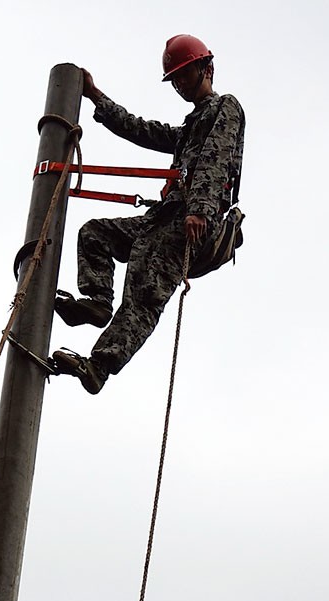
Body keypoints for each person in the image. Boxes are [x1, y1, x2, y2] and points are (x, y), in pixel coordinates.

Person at [52, 35, 245, 394]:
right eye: (176, 79)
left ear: (207, 68)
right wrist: (97, 97)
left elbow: (215, 159)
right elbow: (141, 129)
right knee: (96, 233)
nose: (181, 84)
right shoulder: (190, 129)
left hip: (190, 224)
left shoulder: (225, 108)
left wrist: (200, 210)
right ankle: (96, 302)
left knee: (143, 290)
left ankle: (98, 367)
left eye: (186, 75)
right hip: (165, 218)